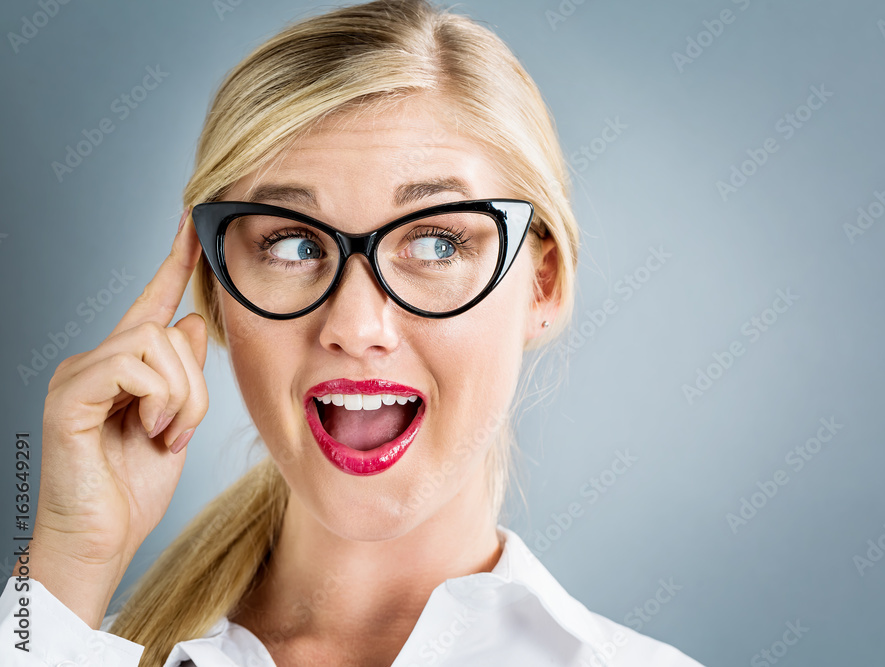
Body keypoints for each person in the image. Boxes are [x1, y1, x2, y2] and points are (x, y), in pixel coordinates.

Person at [0, 1, 706, 665]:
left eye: (435, 244)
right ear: (216, 289)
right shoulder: (66, 644)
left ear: (541, 283)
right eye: (293, 245)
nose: (355, 326)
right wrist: (64, 568)